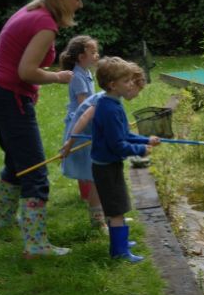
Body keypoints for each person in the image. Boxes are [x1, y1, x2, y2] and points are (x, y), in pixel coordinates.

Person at [0, 0, 86, 258]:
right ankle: (36, 245)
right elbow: (26, 71)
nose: (79, 4)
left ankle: (4, 222)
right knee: (35, 171)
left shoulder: (32, 9)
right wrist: (59, 77)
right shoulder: (45, 24)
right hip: (8, 97)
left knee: (17, 162)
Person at [61, 62, 147, 232]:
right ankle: (98, 220)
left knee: (101, 182)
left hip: (97, 138)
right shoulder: (102, 100)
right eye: (132, 88)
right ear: (116, 85)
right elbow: (84, 117)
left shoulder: (113, 100)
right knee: (96, 181)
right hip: (83, 138)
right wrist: (70, 142)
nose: (135, 94)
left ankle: (113, 216)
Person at [90, 57, 160, 262]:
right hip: (106, 168)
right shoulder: (110, 109)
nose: (131, 84)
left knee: (117, 207)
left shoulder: (110, 102)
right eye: (127, 81)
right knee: (117, 210)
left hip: (108, 165)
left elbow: (123, 135)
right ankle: (119, 252)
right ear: (113, 85)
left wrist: (145, 139)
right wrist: (141, 149)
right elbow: (118, 145)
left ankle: (120, 242)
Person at [59, 35, 99, 205]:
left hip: (87, 118)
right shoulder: (77, 76)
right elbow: (84, 104)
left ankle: (88, 193)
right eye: (93, 52)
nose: (97, 55)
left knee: (86, 156)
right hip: (81, 122)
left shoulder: (86, 72)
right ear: (82, 57)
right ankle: (88, 194)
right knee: (84, 157)